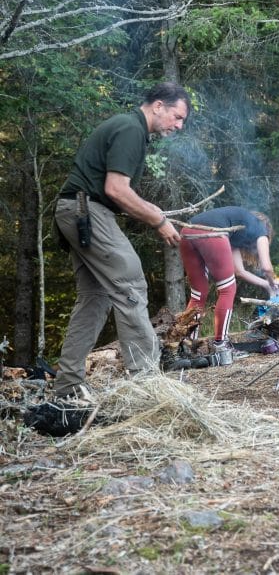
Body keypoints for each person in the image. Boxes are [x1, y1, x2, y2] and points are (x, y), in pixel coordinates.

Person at [53, 82, 189, 403]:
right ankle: (147, 381)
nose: (179, 125)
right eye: (177, 116)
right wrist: (158, 220)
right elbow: (116, 189)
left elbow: (114, 190)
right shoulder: (131, 129)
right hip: (86, 211)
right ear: (158, 106)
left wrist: (153, 211)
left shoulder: (129, 128)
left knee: (95, 297)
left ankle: (68, 386)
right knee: (130, 285)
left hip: (77, 210)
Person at [179, 207, 279, 349]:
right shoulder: (261, 228)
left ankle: (187, 344)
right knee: (227, 289)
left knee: (198, 294)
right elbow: (267, 267)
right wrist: (273, 284)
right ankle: (221, 344)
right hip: (212, 232)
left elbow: (239, 271)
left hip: (187, 231)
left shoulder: (236, 230)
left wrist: (266, 284)